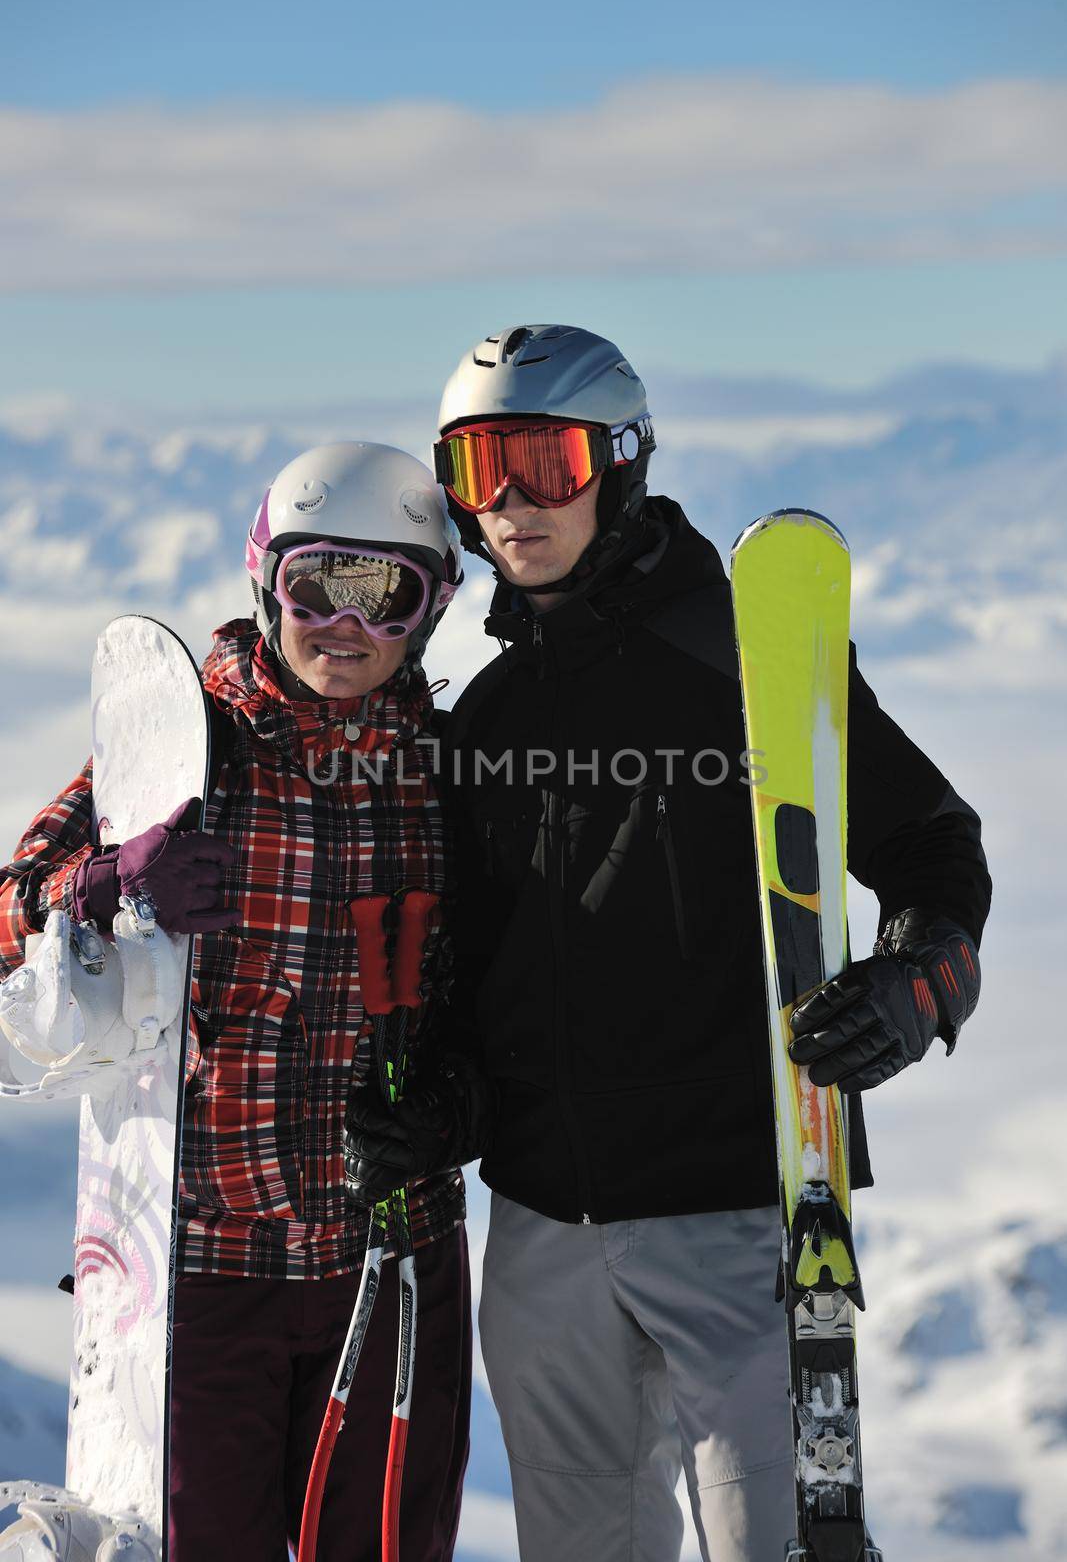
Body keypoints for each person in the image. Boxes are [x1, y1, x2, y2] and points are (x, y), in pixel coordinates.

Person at [343, 327, 992, 1562]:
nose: (514, 505)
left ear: (621, 462)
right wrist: (447, 1105)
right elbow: (482, 970)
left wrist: (915, 986)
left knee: (777, 1542)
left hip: (736, 1212)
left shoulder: (740, 660)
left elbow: (930, 848)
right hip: (541, 1229)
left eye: (545, 459)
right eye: (480, 470)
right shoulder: (486, 712)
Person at [0, 442, 472, 1562]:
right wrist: (101, 886)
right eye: (319, 585)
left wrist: (469, 1102)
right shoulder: (179, 750)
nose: (344, 625)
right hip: (204, 1272)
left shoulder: (448, 768)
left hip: (393, 1257)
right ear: (267, 578)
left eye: (385, 593)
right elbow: (6, 916)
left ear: (433, 605)